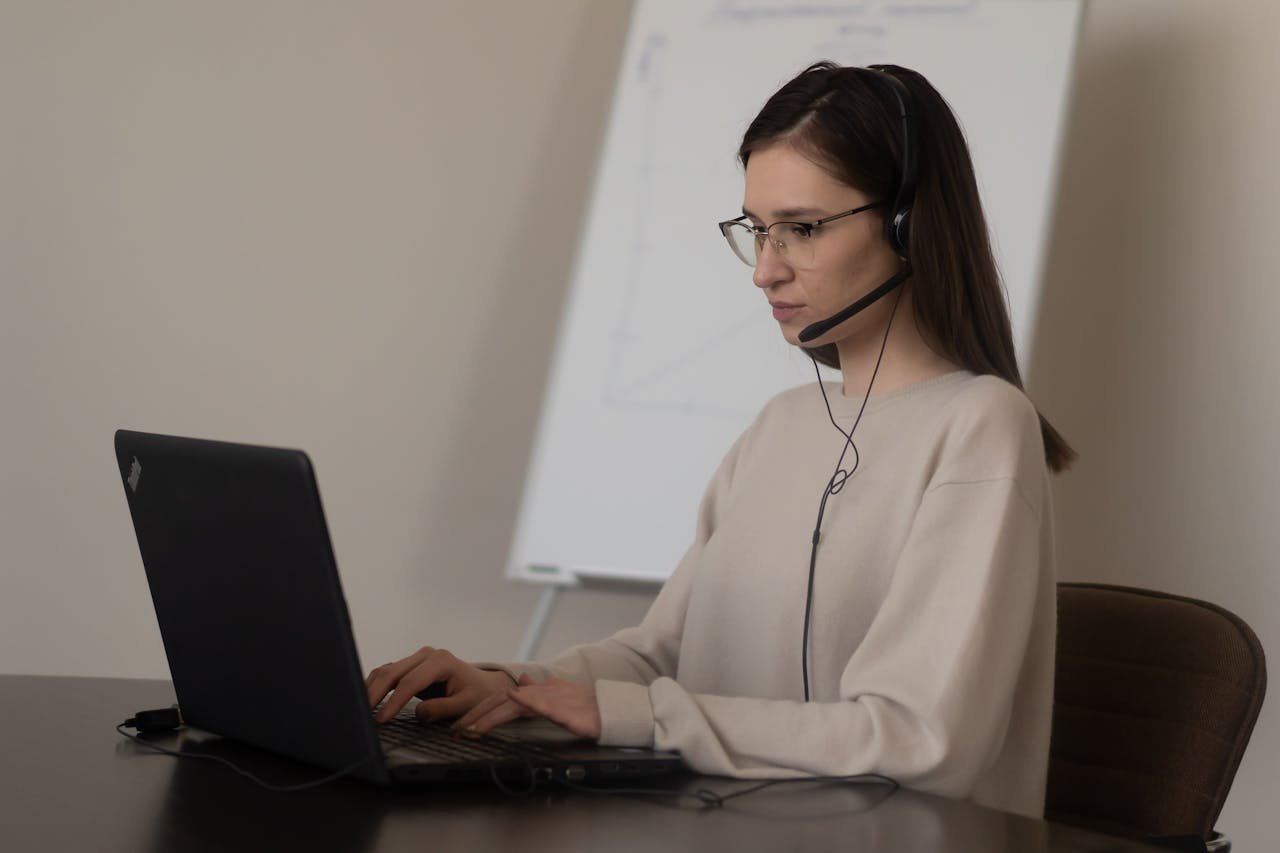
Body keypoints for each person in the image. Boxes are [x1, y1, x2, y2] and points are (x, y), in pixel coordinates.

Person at [365, 62, 1074, 819]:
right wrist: (510, 687)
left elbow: (921, 738)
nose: (766, 271)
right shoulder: (782, 423)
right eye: (757, 232)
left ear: (907, 222)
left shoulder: (982, 425)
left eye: (801, 229)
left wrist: (634, 715)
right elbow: (662, 656)